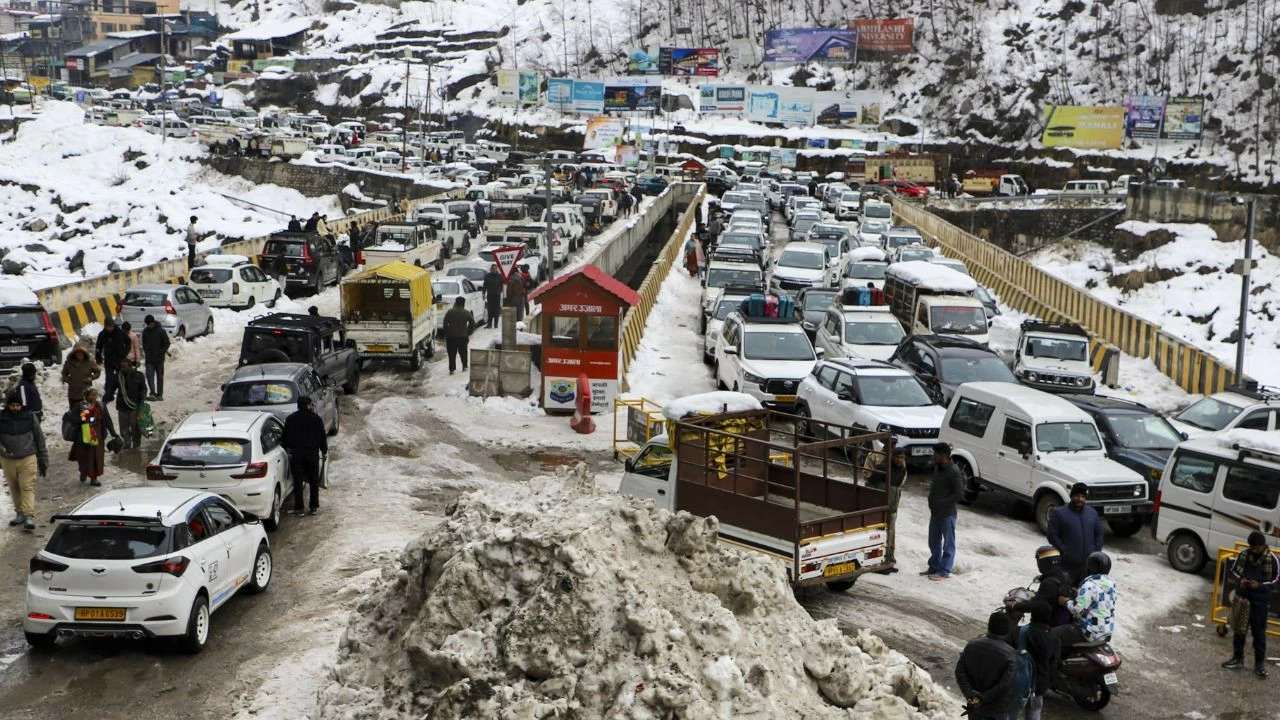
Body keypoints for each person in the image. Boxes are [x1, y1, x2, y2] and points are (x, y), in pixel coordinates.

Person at [1223, 530, 1280, 677]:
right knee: (1239, 630)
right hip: (1243, 598)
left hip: (1260, 601)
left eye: (1257, 548)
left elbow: (1276, 580)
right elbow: (1234, 571)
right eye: (1252, 547)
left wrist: (1259, 585)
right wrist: (1240, 580)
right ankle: (1237, 658)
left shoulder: (1272, 559)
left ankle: (1259, 664)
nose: (1254, 550)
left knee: (1259, 633)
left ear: (1263, 545)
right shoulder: (1243, 555)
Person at [955, 611, 1019, 720]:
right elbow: (1005, 684)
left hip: (974, 705)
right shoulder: (1010, 653)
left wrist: (971, 695)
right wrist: (983, 698)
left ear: (989, 625)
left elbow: (960, 672)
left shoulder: (972, 644)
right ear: (1008, 630)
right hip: (997, 709)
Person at [0, 390, 48, 531]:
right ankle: (19, 513)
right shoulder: (1, 419)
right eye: (12, 405)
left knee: (26, 486)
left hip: (28, 457)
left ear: (21, 405)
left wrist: (43, 458)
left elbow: (39, 438)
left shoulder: (29, 417)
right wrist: (2, 448)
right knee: (14, 487)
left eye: (17, 405)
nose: (15, 408)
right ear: (8, 405)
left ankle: (28, 515)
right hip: (8, 459)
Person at [1051, 551, 1116, 650]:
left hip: (1090, 631)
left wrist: (1065, 601)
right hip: (1105, 631)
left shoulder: (1089, 585)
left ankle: (1053, 663)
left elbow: (1077, 610)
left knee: (1051, 635)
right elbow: (1099, 600)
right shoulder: (1111, 585)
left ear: (1091, 567)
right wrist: (1080, 593)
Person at [1047, 482, 1103, 583]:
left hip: (1087, 566)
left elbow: (1099, 533)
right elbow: (1052, 535)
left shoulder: (1092, 513)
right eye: (1077, 496)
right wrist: (1064, 550)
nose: (1080, 499)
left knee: (1084, 595)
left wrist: (1096, 551)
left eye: (1083, 496)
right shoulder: (1059, 513)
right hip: (1067, 565)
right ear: (1072, 496)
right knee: (1065, 592)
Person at [282, 396, 327, 516]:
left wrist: (288, 448)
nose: (312, 407)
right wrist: (324, 451)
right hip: (312, 454)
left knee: (298, 481)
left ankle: (299, 508)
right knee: (314, 481)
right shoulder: (316, 419)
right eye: (311, 405)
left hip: (297, 454)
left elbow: (285, 438)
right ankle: (314, 507)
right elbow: (322, 436)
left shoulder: (291, 419)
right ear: (307, 405)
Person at [924, 441, 963, 581]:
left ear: (944, 455)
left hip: (947, 514)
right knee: (933, 541)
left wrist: (942, 503)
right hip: (935, 512)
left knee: (948, 543)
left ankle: (944, 571)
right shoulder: (938, 467)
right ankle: (934, 565)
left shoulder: (954, 471)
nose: (933, 456)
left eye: (936, 454)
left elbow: (959, 494)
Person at [1019, 600, 1059, 720]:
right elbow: (1054, 663)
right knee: (1035, 712)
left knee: (1012, 713)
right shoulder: (1054, 638)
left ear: (1032, 614)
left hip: (1020, 681)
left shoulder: (1020, 632)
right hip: (1039, 684)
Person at [69, 387, 117, 487]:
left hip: (98, 435)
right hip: (84, 435)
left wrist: (113, 433)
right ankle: (83, 471)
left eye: (96, 395)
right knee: (84, 456)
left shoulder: (101, 406)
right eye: (92, 395)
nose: (94, 397)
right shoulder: (80, 406)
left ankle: (94, 478)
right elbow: (72, 418)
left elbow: (107, 420)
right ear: (87, 396)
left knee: (96, 457)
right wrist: (82, 419)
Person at [114, 358, 146, 450]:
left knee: (134, 424)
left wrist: (142, 398)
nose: (122, 369)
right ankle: (127, 441)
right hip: (122, 405)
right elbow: (111, 387)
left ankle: (136, 442)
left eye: (124, 367)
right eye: (121, 367)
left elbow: (143, 388)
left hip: (134, 405)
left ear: (130, 366)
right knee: (123, 426)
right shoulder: (118, 376)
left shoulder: (139, 376)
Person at [61, 341, 101, 413]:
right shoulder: (69, 363)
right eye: (77, 352)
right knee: (74, 413)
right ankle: (75, 424)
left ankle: (85, 424)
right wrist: (69, 381)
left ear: (84, 353)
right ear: (74, 353)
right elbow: (64, 374)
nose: (79, 354)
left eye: (81, 352)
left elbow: (98, 372)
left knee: (85, 414)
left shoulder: (89, 362)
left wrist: (91, 378)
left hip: (86, 393)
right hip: (73, 394)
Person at [96, 318, 129, 402]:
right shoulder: (102, 334)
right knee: (109, 378)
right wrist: (98, 358)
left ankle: (123, 394)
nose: (110, 328)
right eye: (108, 327)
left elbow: (128, 342)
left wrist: (125, 352)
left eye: (111, 326)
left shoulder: (120, 333)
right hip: (109, 360)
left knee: (121, 377)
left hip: (120, 359)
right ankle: (108, 395)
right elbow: (98, 347)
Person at [442, 297, 476, 375]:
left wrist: (447, 332)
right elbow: (472, 324)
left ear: (456, 303)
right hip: (463, 337)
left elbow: (445, 324)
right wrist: (468, 332)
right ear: (463, 304)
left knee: (451, 353)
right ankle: (464, 366)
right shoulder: (467, 313)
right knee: (463, 352)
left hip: (451, 337)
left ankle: (452, 369)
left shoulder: (450, 312)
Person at [141, 315, 170, 400]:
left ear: (153, 322)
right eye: (147, 325)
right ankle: (152, 393)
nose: (149, 326)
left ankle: (160, 394)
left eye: (150, 324)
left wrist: (161, 352)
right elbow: (144, 342)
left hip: (159, 359)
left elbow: (166, 343)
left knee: (160, 377)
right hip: (149, 359)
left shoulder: (161, 331)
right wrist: (146, 350)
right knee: (150, 376)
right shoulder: (145, 331)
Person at [483, 264, 504, 329]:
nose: (494, 270)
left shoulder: (499, 276)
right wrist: (483, 293)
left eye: (495, 268)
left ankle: (496, 324)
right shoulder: (487, 276)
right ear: (491, 269)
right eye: (493, 268)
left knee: (496, 310)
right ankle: (489, 324)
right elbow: (485, 285)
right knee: (490, 309)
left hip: (497, 295)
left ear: (496, 269)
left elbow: (502, 285)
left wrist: (500, 291)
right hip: (490, 295)